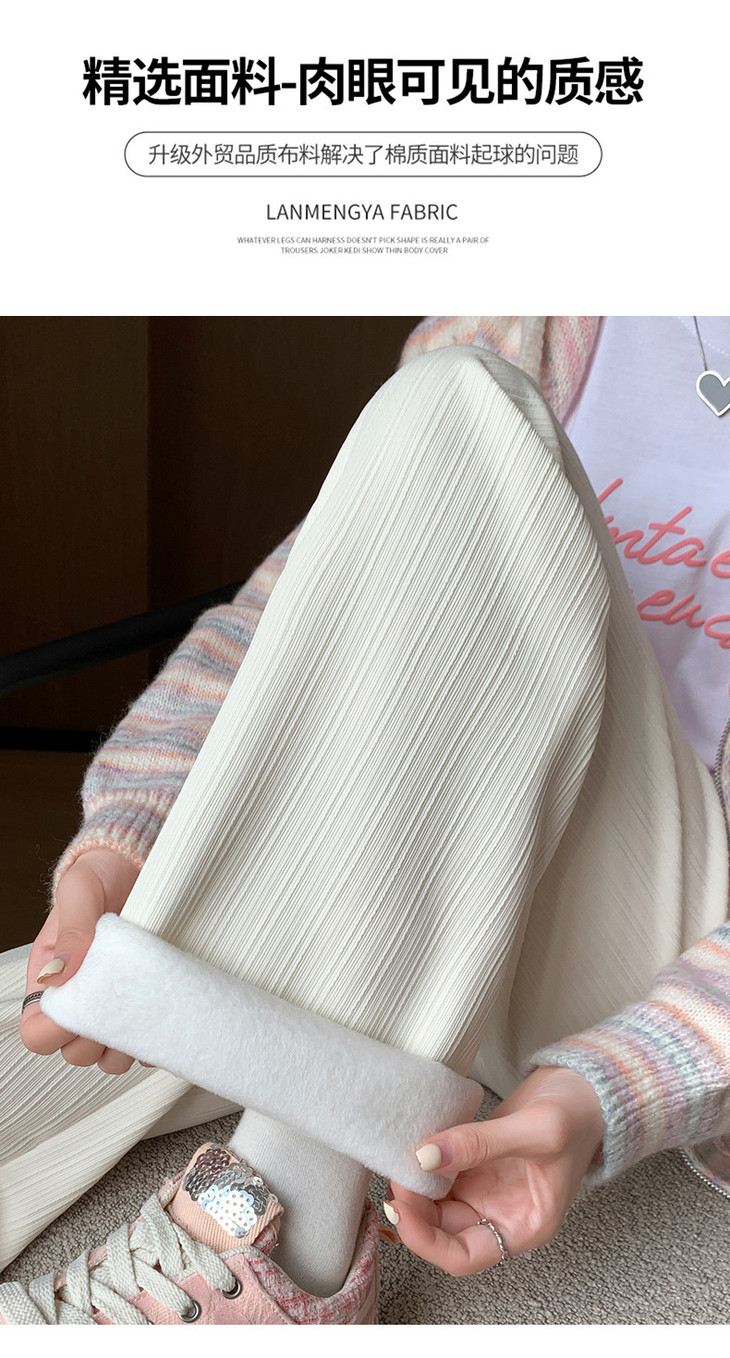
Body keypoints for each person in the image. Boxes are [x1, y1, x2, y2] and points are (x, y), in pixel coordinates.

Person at [0, 317, 728, 1326]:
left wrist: (609, 1086)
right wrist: (126, 841)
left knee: (466, 403)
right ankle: (219, 1029)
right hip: (441, 868)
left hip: (660, 932)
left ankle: (275, 1229)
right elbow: (306, 602)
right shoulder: (551, 305)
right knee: (452, 401)